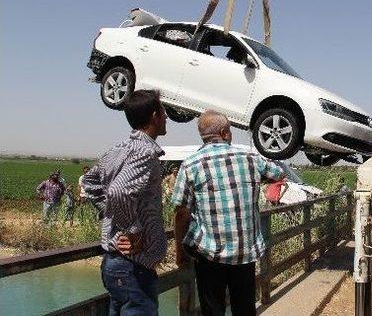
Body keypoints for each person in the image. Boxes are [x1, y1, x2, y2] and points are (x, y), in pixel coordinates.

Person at [172, 110, 285, 316]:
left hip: (209, 256)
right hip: (245, 253)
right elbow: (279, 173)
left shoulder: (190, 164)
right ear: (224, 132)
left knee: (213, 309)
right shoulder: (250, 157)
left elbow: (181, 212)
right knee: (244, 309)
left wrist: (180, 251)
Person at [82, 89, 168, 315]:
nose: (167, 117)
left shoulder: (117, 149)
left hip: (118, 265)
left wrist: (110, 211)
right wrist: (134, 231)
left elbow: (90, 182)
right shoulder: (145, 152)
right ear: (154, 116)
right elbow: (120, 192)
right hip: (132, 266)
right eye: (164, 112)